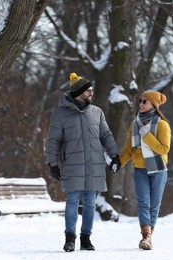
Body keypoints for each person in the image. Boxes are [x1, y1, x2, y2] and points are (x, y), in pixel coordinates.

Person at [46, 72, 121, 252]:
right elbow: (53, 140)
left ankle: (86, 238)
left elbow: (106, 135)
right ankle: (69, 238)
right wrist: (52, 163)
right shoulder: (60, 114)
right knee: (72, 201)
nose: (91, 94)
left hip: (95, 164)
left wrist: (115, 155)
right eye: (88, 91)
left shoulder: (97, 112)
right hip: (72, 163)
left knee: (89, 203)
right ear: (79, 92)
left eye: (92, 91)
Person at [119, 90, 171, 250]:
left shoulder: (162, 125)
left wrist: (146, 136)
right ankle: (146, 237)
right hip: (140, 168)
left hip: (158, 170)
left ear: (153, 105)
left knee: (154, 205)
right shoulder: (134, 124)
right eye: (140, 101)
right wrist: (117, 163)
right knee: (143, 203)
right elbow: (129, 149)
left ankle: (149, 235)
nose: (140, 104)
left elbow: (164, 149)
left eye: (144, 102)